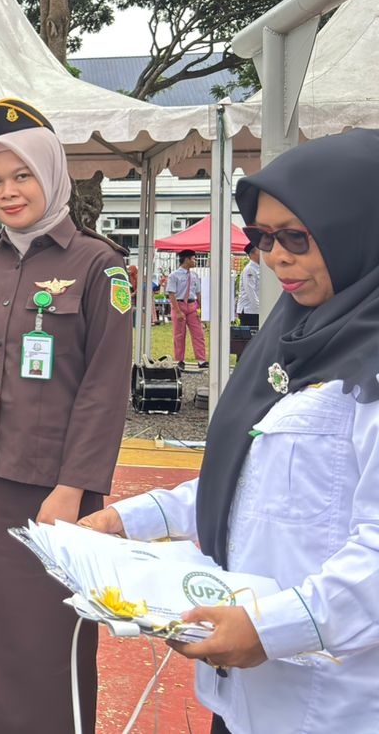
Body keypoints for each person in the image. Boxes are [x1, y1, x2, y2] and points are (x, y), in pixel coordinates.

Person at [80, 128, 379, 734]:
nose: (275, 257)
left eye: (297, 236)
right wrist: (128, 519)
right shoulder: (296, 336)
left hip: (333, 701)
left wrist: (275, 629)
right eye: (263, 238)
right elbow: (247, 483)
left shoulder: (366, 365)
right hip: (242, 690)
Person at [0, 99, 133, 733]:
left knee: (48, 635)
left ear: (52, 176)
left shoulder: (100, 265)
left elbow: (105, 388)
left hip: (52, 486)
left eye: (23, 176)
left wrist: (73, 486)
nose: (7, 192)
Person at [168, 249, 209, 370]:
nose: (195, 261)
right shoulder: (174, 275)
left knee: (198, 333)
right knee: (179, 335)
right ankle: (180, 360)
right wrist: (178, 311)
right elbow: (171, 294)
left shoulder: (195, 275)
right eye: (193, 259)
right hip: (179, 305)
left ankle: (201, 360)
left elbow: (198, 293)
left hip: (192, 306)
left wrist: (202, 309)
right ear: (186, 260)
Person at [238, 244, 262, 328]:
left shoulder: (259, 268)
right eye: (260, 251)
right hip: (249, 310)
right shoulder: (250, 269)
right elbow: (250, 291)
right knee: (250, 338)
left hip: (255, 310)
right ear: (253, 253)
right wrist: (260, 308)